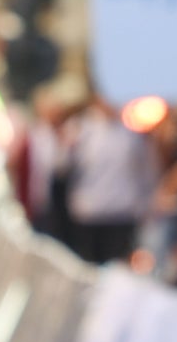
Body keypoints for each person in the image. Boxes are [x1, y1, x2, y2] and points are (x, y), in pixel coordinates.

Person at [57, 96, 153, 268]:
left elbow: (145, 170)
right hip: (89, 212)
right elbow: (61, 167)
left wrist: (144, 204)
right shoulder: (81, 129)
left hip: (121, 212)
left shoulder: (130, 132)